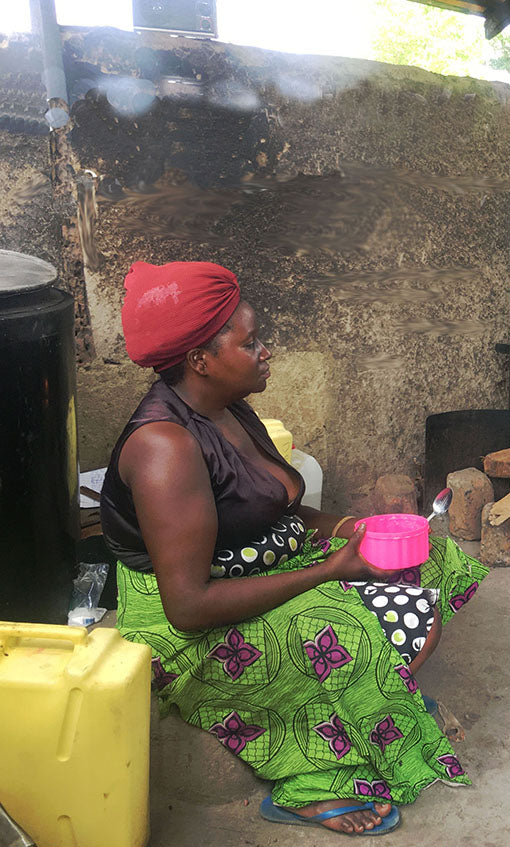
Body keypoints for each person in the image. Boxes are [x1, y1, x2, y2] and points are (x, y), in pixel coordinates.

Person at [101, 261, 488, 835]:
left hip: (260, 562)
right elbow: (189, 606)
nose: (266, 352)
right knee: (351, 630)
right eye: (250, 342)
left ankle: (371, 704)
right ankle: (309, 782)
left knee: (430, 555)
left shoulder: (229, 407)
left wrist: (352, 526)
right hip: (183, 618)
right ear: (199, 361)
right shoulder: (165, 448)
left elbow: (276, 509)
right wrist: (332, 570)